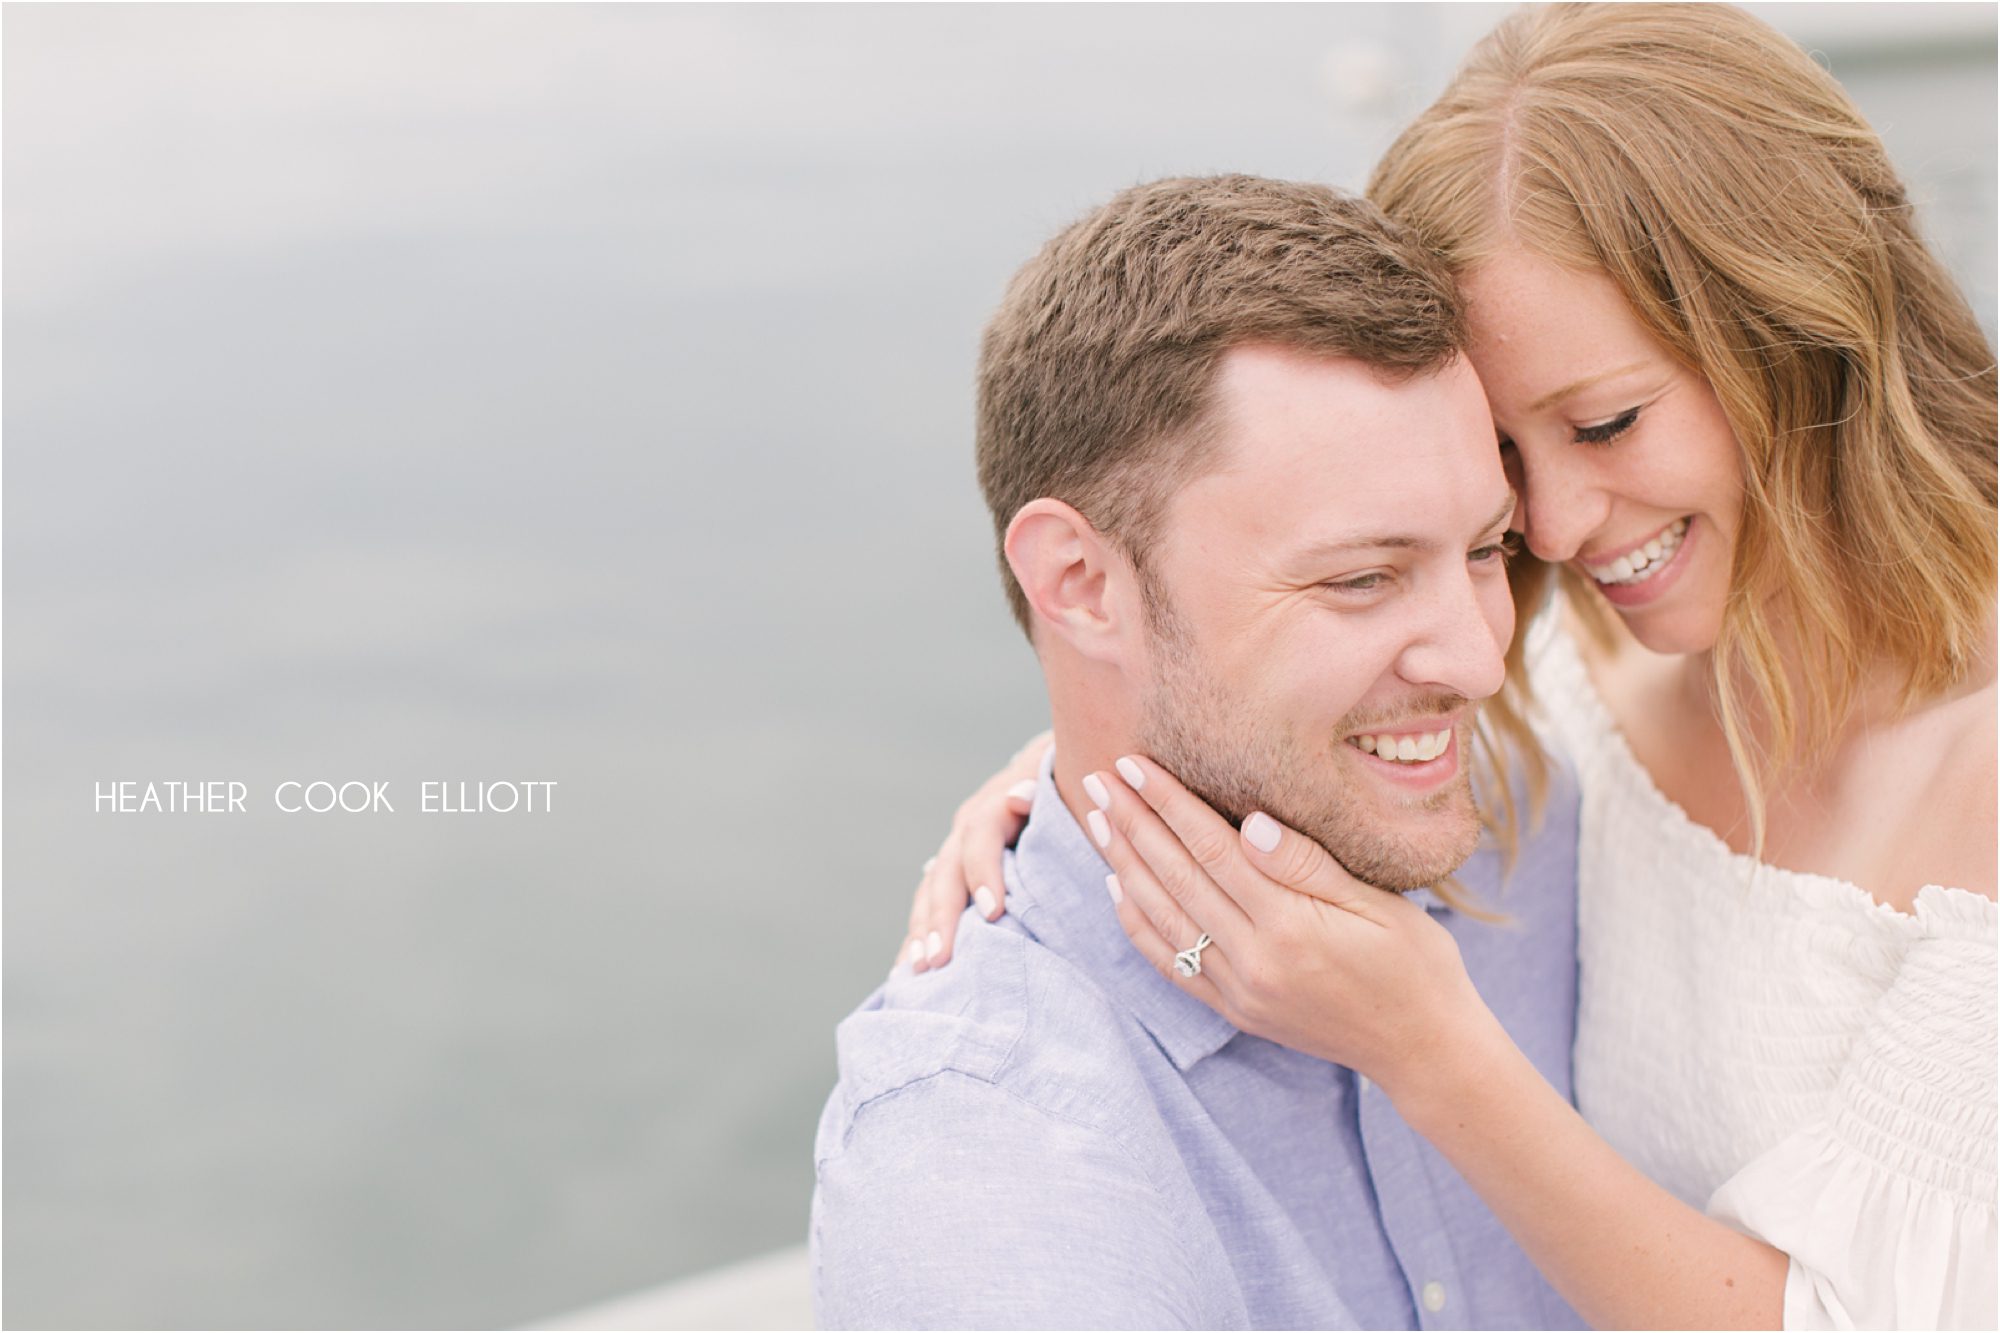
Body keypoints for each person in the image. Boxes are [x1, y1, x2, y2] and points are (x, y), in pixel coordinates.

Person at [905, 6, 1997, 1329]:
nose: (1557, 526)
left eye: (1608, 422)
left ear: (1801, 323)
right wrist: (1076, 779)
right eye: (1506, 464)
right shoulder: (1561, 650)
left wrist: (1428, 1048)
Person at [811, 174, 1589, 1329]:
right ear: (1079, 585)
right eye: (1362, 579)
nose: (1479, 662)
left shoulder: (1537, 824)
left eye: (1485, 551)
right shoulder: (982, 1154)